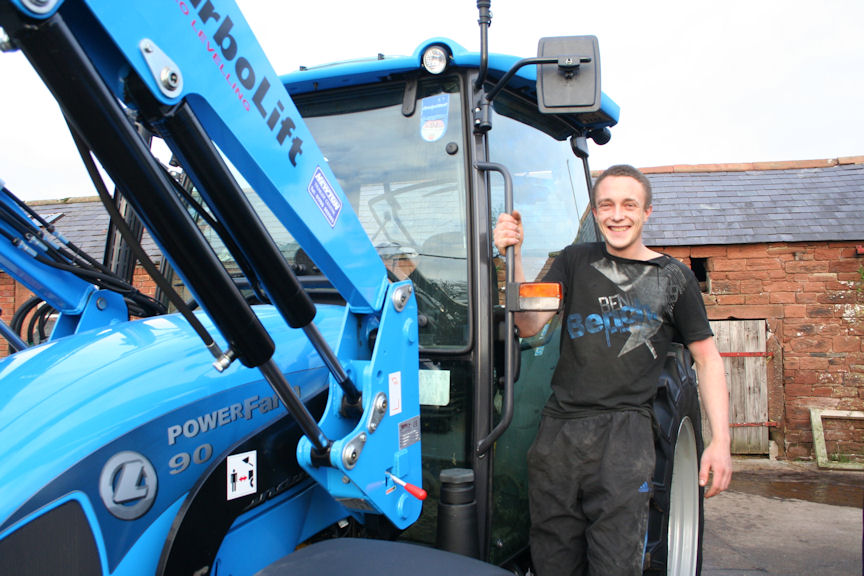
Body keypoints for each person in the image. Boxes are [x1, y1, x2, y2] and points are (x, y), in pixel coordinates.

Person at [493, 164, 732, 576]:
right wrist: (510, 257)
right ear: (596, 212)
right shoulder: (573, 260)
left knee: (616, 563)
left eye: (628, 204)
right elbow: (529, 324)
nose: (617, 214)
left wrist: (721, 441)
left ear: (647, 212)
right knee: (552, 559)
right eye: (606, 205)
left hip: (625, 437)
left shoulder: (674, 278)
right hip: (558, 433)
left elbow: (708, 360)